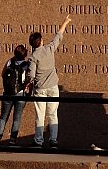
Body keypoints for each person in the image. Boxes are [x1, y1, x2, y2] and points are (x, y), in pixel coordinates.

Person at [27, 15, 71, 148]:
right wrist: (65, 22)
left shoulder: (33, 57)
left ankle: (39, 141)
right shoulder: (49, 49)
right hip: (53, 86)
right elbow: (59, 36)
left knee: (40, 115)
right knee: (53, 114)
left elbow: (31, 75)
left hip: (40, 88)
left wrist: (29, 83)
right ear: (40, 41)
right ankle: (53, 140)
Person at [0, 44, 30, 145]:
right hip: (21, 93)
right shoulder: (26, 65)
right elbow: (29, 79)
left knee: (3, 117)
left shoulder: (10, 62)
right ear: (25, 55)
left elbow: (2, 74)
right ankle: (13, 139)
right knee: (17, 118)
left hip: (8, 93)